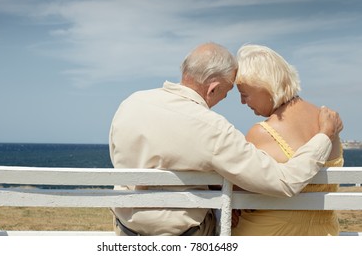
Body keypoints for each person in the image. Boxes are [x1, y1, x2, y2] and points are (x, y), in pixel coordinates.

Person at [109, 42, 343, 236]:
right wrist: (324, 136)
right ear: (212, 89)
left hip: (126, 230)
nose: (233, 100)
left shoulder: (131, 103)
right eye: (229, 91)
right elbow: (283, 182)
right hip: (184, 238)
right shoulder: (210, 127)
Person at [232, 44, 344, 236]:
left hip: (273, 236)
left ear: (265, 87)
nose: (243, 102)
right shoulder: (328, 121)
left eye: (245, 95)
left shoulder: (261, 132)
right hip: (325, 235)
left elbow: (237, 192)